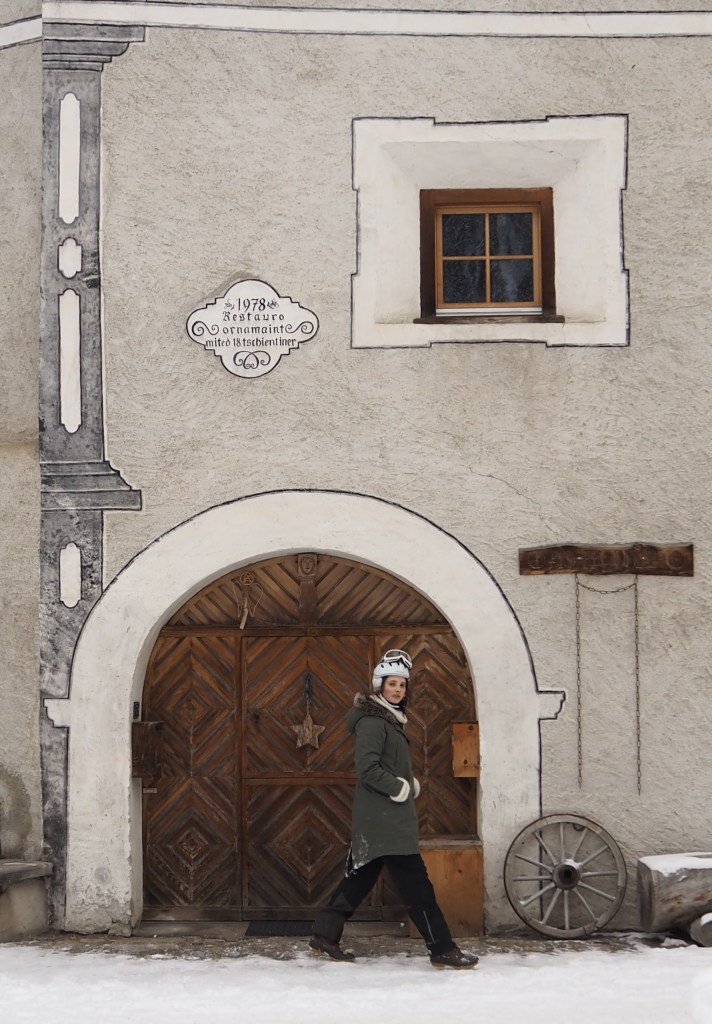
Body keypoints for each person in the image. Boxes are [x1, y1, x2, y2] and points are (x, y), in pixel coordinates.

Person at [309, 649, 479, 969]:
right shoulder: (374, 721)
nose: (398, 689)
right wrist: (400, 787)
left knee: (358, 878)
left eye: (402, 684)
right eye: (392, 684)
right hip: (385, 818)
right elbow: (368, 769)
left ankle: (324, 934)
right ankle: (441, 947)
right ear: (380, 687)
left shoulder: (392, 720)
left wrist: (406, 781)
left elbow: (385, 765)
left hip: (383, 817)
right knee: (417, 885)